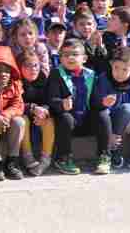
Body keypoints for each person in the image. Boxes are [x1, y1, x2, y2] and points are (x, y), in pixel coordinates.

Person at [48, 39, 112, 175]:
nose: (70, 57)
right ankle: (63, 158)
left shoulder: (90, 74)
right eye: (65, 55)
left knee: (103, 114)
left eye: (75, 54)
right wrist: (61, 104)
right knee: (65, 118)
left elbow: (94, 102)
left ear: (84, 58)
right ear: (60, 58)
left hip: (86, 120)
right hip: (67, 122)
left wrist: (103, 102)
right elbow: (51, 99)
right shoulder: (56, 74)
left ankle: (104, 156)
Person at [17, 50, 53, 176]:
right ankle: (27, 156)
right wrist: (33, 108)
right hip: (23, 114)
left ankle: (45, 158)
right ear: (20, 67)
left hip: (38, 114)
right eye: (27, 66)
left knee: (48, 120)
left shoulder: (44, 79)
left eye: (35, 65)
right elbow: (16, 104)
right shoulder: (16, 81)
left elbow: (50, 100)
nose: (33, 69)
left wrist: (43, 111)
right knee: (22, 120)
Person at [0, 46, 26, 180]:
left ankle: (12, 161)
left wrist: (6, 115)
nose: (3, 74)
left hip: (6, 121)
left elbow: (17, 105)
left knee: (19, 121)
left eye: (6, 70)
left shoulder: (15, 85)